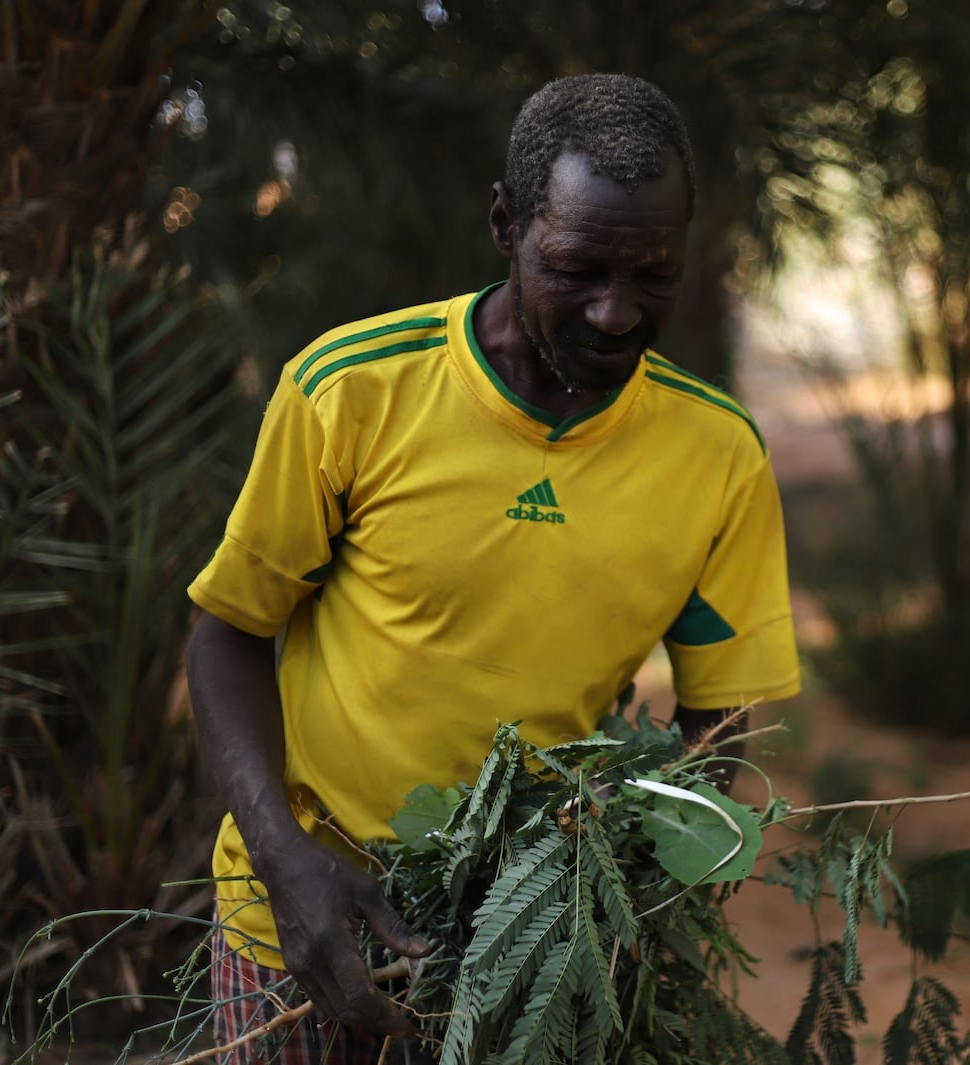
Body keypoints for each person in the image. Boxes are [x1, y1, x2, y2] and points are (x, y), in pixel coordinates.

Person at [184, 73, 801, 1063]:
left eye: (655, 275)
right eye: (578, 268)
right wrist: (283, 860)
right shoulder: (352, 393)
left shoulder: (718, 454)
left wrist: (611, 877)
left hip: (531, 960)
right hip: (302, 931)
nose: (615, 314)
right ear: (505, 226)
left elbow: (720, 719)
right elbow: (227, 635)